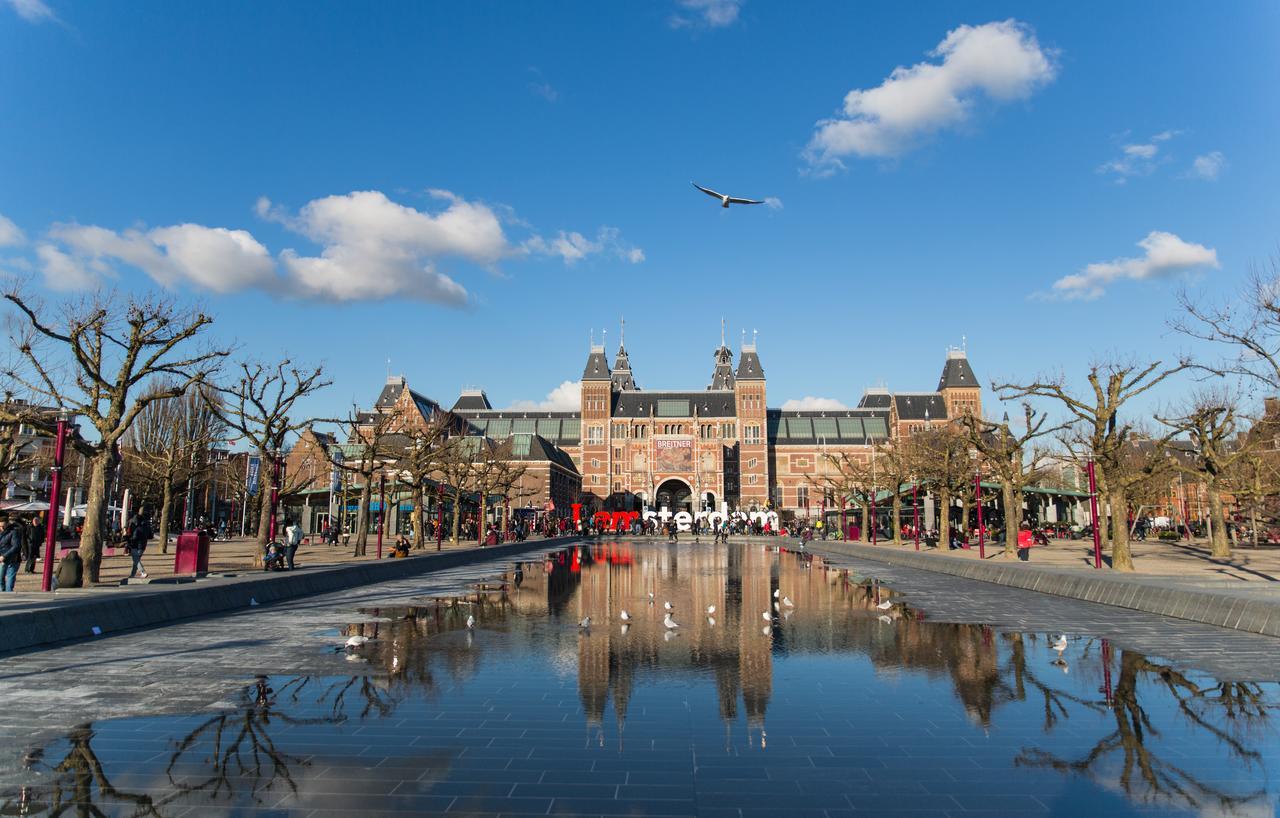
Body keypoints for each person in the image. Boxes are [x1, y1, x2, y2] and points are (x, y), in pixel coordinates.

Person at [127, 510, 152, 579]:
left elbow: (134, 538)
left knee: (136, 560)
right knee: (136, 560)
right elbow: (151, 536)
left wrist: (129, 539)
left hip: (136, 546)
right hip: (143, 545)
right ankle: (132, 575)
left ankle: (143, 572)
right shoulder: (146, 527)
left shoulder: (137, 529)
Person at [0, 515, 21, 591]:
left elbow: (16, 546)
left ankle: (8, 594)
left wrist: (4, 556)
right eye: (0, 526)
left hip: (12, 559)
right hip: (2, 559)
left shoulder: (14, 532)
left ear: (7, 524)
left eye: (3, 526)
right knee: (0, 579)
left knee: (10, 580)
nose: (1, 528)